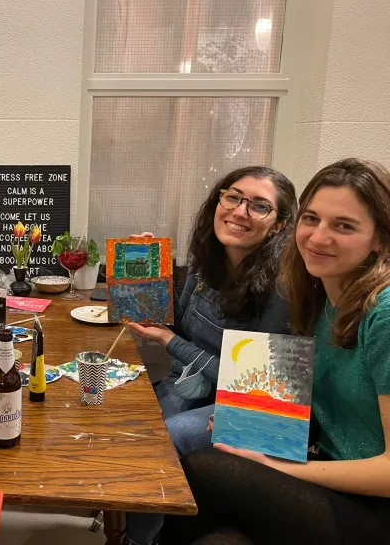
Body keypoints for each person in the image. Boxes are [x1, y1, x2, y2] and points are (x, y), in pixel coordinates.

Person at [160, 158, 390, 545]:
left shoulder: (382, 314)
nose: (318, 237)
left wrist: (280, 465)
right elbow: (295, 399)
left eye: (344, 226)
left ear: (380, 239)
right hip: (320, 464)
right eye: (312, 219)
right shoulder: (314, 293)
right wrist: (252, 422)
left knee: (200, 469)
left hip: (371, 503)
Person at [125, 166, 297, 545]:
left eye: (259, 206)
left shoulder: (283, 289)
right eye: (233, 196)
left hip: (257, 407)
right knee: (137, 426)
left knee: (165, 437)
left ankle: (138, 541)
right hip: (194, 381)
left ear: (280, 225)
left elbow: (252, 388)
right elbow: (179, 326)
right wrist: (148, 269)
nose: (239, 210)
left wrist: (170, 342)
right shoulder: (207, 259)